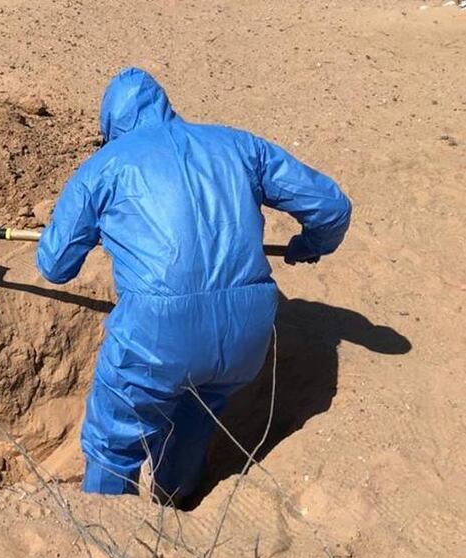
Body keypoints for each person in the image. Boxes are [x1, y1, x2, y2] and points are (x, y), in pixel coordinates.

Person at [37, 67, 351, 503]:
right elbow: (331, 207)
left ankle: (107, 537)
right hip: (246, 331)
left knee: (114, 445)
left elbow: (55, 266)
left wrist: (93, 231)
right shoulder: (239, 145)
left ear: (111, 126)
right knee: (195, 416)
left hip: (157, 333)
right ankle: (175, 503)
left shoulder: (105, 167)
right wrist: (309, 244)